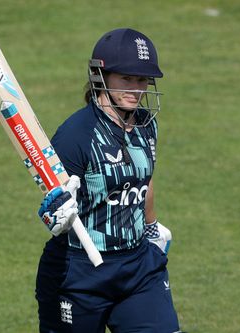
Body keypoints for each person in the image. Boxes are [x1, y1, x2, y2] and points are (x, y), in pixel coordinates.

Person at [35, 28, 183, 333]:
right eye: (126, 79)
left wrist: (153, 228)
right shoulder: (76, 135)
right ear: (101, 76)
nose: (137, 88)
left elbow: (144, 180)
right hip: (78, 273)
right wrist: (55, 215)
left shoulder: (145, 124)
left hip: (139, 268)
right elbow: (55, 205)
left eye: (142, 80)